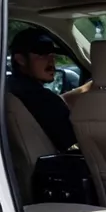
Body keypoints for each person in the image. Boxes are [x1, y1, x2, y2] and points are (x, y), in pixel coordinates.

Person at [7, 26, 78, 154]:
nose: (51, 61)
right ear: (20, 59)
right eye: (42, 54)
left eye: (52, 54)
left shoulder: (9, 89)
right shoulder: (43, 101)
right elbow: (75, 143)